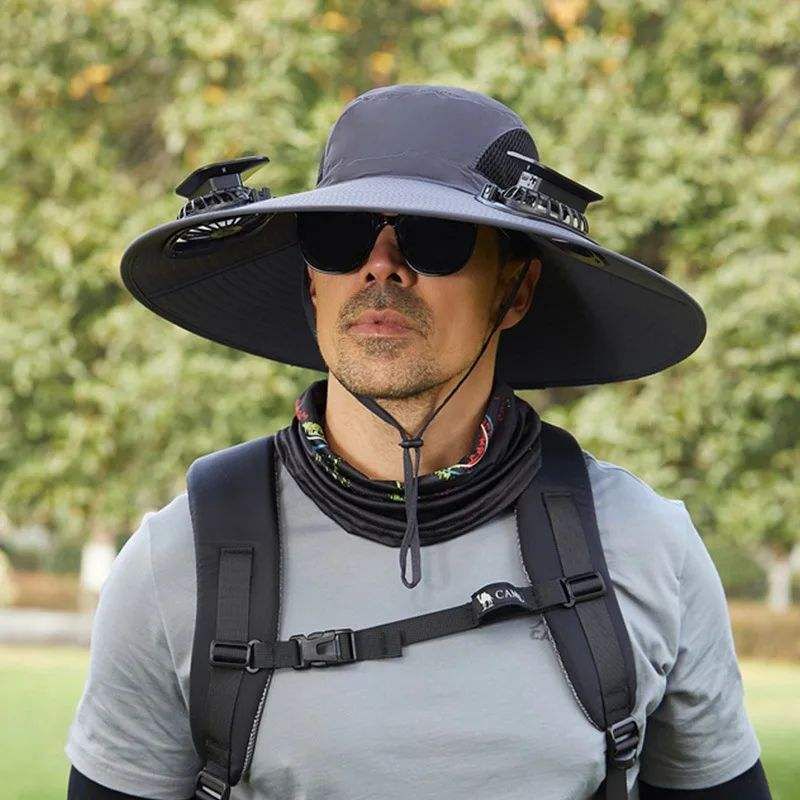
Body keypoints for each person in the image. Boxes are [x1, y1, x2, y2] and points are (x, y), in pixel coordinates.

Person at [65, 84, 771, 800]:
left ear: (515, 290)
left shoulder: (647, 545)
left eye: (437, 238)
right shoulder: (178, 559)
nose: (381, 266)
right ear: (312, 284)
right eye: (339, 238)